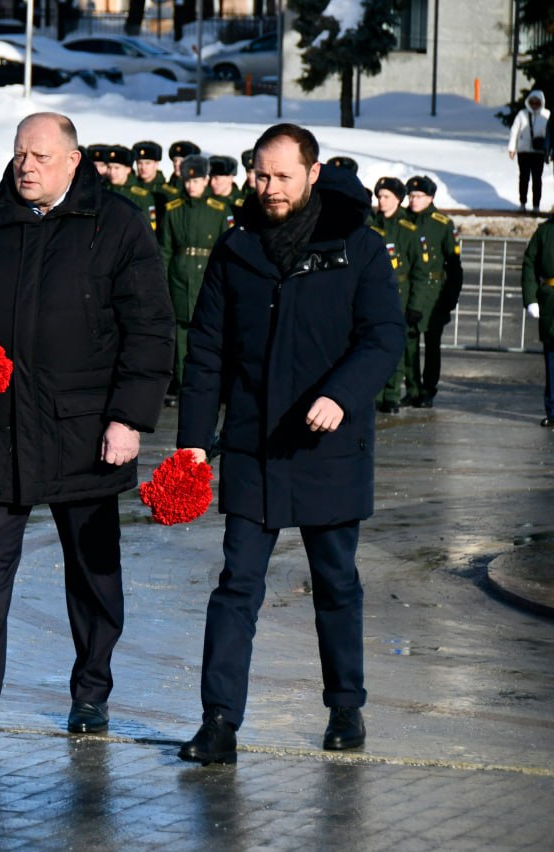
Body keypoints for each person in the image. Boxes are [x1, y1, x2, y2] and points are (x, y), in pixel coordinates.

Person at [0, 112, 174, 742]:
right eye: (18, 155)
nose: (25, 166)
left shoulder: (115, 223)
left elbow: (148, 328)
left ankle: (91, 693)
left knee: (92, 572)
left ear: (73, 160)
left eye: (39, 156)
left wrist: (128, 418)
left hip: (84, 430)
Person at [176, 123, 405, 765]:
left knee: (335, 581)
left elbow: (384, 335)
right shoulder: (236, 247)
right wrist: (193, 443)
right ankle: (219, 721)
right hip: (252, 447)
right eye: (259, 174)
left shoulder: (356, 244)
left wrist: (341, 394)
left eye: (281, 176)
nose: (268, 188)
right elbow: (207, 355)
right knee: (236, 585)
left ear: (312, 173)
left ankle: (346, 706)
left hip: (328, 446)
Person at [159, 154, 233, 401]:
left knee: (209, 332)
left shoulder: (219, 210)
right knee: (180, 335)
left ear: (205, 181)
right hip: (180, 276)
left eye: (197, 181)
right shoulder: (173, 210)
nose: (192, 185)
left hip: (206, 276)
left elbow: (227, 250)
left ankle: (208, 384)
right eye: (188, 181)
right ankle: (182, 384)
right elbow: (166, 250)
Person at [368, 176, 431, 413]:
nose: (381, 201)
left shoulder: (409, 231)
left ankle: (392, 394)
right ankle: (376, 393)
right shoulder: (371, 226)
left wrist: (415, 305)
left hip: (400, 295)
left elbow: (420, 272)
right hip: (374, 294)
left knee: (395, 347)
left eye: (386, 197)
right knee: (373, 344)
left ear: (397, 199)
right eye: (379, 196)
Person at [403, 175, 462, 408]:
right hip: (410, 290)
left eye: (419, 196)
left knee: (432, 344)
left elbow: (454, 266)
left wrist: (450, 298)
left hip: (434, 292)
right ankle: (412, 387)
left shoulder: (442, 224)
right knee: (409, 343)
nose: (414, 200)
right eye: (411, 196)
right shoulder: (405, 220)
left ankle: (428, 388)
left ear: (430, 197)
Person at [520, 217, 554, 427]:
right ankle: (553, 410)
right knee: (552, 359)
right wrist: (531, 299)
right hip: (552, 299)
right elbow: (530, 263)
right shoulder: (545, 231)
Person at [508, 90, 550, 213]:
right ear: (528, 102)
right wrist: (512, 147)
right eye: (532, 102)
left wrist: (548, 149)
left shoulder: (546, 115)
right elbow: (514, 131)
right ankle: (522, 203)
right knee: (524, 178)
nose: (535, 105)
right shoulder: (522, 114)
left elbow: (550, 133)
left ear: (541, 102)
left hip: (539, 152)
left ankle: (536, 206)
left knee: (537, 179)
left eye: (537, 102)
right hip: (524, 151)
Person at [126, 140, 180, 236]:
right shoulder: (129, 188)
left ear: (156, 164)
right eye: (139, 163)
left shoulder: (167, 192)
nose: (143, 167)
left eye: (147, 163)